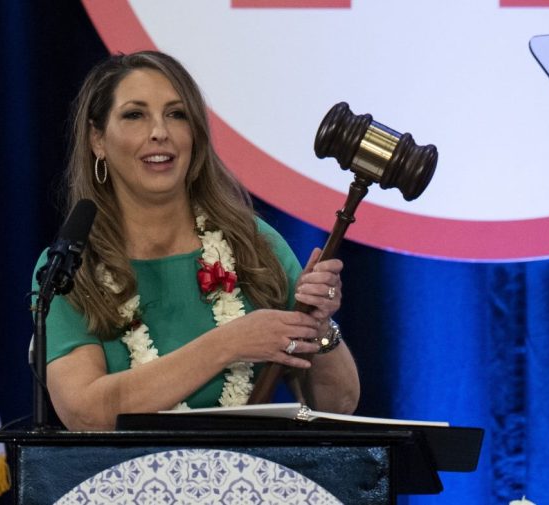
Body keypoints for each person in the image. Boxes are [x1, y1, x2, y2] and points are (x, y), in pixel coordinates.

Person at [32, 50, 359, 431]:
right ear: (97, 139)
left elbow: (340, 405)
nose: (160, 132)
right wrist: (228, 344)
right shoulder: (68, 267)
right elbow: (85, 413)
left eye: (177, 114)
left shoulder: (252, 244)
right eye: (135, 115)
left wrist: (319, 331)